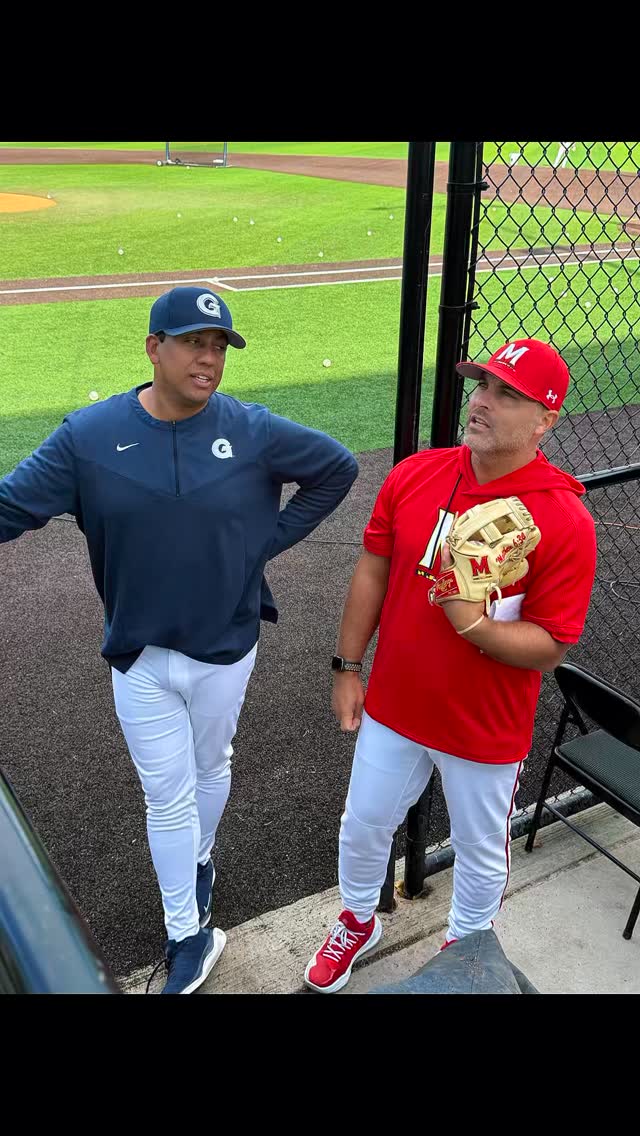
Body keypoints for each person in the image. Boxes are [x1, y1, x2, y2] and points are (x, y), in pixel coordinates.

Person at [0, 286, 358, 995]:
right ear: (153, 347)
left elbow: (336, 468)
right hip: (137, 654)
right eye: (194, 341)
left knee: (212, 763)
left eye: (220, 345)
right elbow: (9, 508)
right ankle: (188, 933)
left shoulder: (251, 430)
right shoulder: (88, 437)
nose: (209, 357)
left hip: (227, 645)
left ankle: (200, 859)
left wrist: (262, 544)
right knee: (165, 796)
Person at [304, 337, 597, 994]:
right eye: (481, 385)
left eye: (506, 394)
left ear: (545, 420)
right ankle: (357, 919)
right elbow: (374, 567)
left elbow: (552, 642)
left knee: (478, 847)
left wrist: (472, 623)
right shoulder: (417, 473)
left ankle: (467, 946)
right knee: (364, 821)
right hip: (396, 704)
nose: (482, 402)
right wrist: (347, 665)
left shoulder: (563, 517)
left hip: (484, 726)